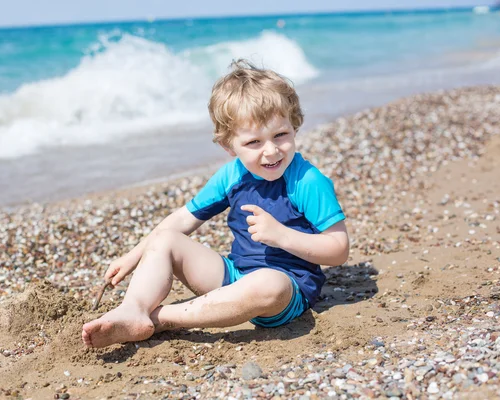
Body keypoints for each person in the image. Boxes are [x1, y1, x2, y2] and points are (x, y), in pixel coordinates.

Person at [82, 60, 349, 348]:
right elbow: (182, 219)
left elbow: (338, 250)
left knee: (269, 284)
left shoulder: (307, 181)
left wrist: (282, 236)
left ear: (293, 126)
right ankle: (133, 308)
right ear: (229, 146)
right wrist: (133, 256)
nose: (271, 150)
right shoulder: (232, 175)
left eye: (280, 135)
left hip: (287, 289)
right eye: (253, 142)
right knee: (166, 239)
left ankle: (162, 318)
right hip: (234, 276)